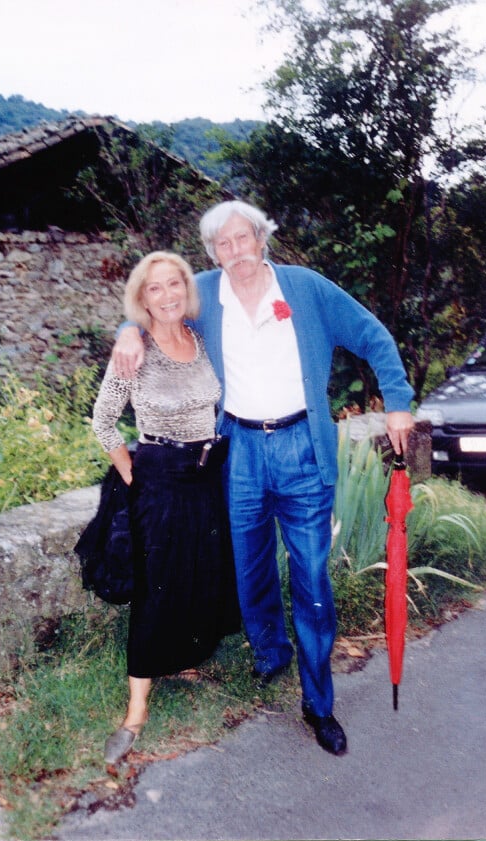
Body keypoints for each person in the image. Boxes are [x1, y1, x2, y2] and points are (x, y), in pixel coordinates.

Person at [113, 201, 415, 756]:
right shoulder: (204, 293)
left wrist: (397, 400)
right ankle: (270, 653)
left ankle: (318, 703)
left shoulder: (305, 288)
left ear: (261, 237)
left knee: (312, 580)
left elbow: (371, 334)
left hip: (304, 448)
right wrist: (128, 331)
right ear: (211, 253)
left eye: (243, 238)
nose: (236, 252)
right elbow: (156, 304)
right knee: (249, 569)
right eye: (223, 245)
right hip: (240, 449)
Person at [91, 250, 239, 766]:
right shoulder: (134, 351)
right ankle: (136, 710)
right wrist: (134, 474)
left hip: (205, 475)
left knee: (199, 574)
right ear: (142, 297)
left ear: (186, 289)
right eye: (155, 288)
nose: (168, 294)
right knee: (155, 589)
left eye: (174, 284)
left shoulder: (200, 341)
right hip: (159, 478)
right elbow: (104, 422)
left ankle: (184, 656)